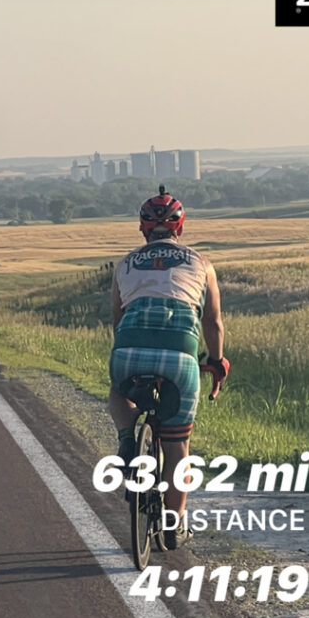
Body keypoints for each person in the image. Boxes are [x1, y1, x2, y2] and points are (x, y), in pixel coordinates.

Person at [108, 187, 229, 549]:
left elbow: (117, 319)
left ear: (143, 227)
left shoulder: (126, 263)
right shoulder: (201, 263)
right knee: (178, 445)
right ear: (181, 226)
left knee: (118, 391)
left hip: (129, 346)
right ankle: (174, 526)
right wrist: (216, 362)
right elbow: (213, 321)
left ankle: (128, 438)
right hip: (180, 354)